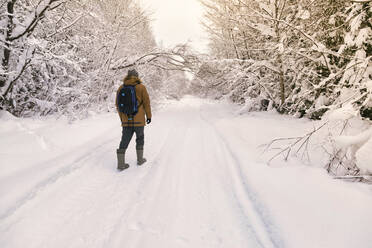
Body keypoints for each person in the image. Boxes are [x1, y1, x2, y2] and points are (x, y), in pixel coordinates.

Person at [116, 69, 152, 170]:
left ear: (127, 76)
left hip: (126, 121)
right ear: (137, 76)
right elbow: (146, 103)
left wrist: (122, 118)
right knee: (140, 138)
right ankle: (140, 160)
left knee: (124, 140)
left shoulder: (120, 88)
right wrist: (149, 116)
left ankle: (121, 164)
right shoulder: (141, 87)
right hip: (139, 120)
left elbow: (117, 105)